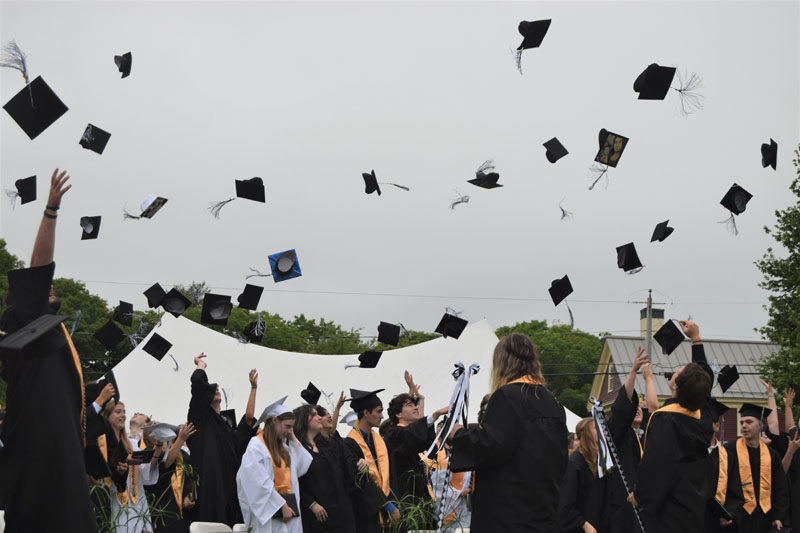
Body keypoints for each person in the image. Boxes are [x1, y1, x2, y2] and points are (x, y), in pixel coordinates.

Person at [0, 169, 97, 532]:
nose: (51, 287)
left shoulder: (52, 333)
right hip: (38, 444)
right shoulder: (24, 319)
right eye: (45, 288)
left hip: (61, 446)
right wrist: (51, 210)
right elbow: (39, 266)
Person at [450, 333, 568, 533]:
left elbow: (492, 444)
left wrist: (459, 435)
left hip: (509, 513)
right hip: (543, 509)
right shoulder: (552, 403)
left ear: (502, 362)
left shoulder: (507, 396)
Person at [629, 354, 713, 533]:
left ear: (676, 386)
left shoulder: (666, 418)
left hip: (669, 508)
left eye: (677, 373)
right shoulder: (704, 419)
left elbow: (656, 464)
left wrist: (640, 495)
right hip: (695, 505)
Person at [186, 353, 258, 525]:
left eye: (217, 388)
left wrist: (254, 389)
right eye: (212, 388)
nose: (215, 389)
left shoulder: (226, 428)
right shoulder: (200, 418)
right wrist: (200, 365)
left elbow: (248, 422)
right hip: (209, 487)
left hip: (229, 491)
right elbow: (197, 383)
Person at [379, 371, 448, 521]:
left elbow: (421, 438)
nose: (415, 408)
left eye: (414, 405)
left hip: (420, 497)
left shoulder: (407, 432)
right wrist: (434, 415)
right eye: (410, 405)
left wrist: (419, 400)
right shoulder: (392, 434)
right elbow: (410, 434)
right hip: (405, 501)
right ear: (398, 414)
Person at [237, 400, 313, 533]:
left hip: (289, 514)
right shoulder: (256, 446)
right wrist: (281, 504)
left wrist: (293, 437)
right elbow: (257, 482)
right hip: (270, 515)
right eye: (287, 426)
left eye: (292, 427)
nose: (289, 431)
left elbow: (302, 466)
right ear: (274, 421)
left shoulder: (284, 448)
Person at [603, 347, 654, 533]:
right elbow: (623, 408)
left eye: (641, 406)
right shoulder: (620, 434)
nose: (638, 408)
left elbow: (654, 409)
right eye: (635, 406)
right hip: (626, 506)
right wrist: (633, 372)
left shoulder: (650, 435)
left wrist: (650, 381)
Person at [718, 403, 791, 532]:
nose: (744, 426)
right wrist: (723, 513)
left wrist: (778, 515)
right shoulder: (728, 451)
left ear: (761, 425)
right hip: (736, 516)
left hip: (765, 516)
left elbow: (780, 487)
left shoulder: (771, 454)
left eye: (749, 422)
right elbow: (720, 483)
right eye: (742, 423)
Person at [294, 404, 356, 533]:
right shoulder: (297, 451)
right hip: (318, 517)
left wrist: (359, 462)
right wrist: (311, 503)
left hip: (341, 512)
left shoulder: (328, 445)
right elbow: (295, 482)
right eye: (314, 415)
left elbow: (344, 470)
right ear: (303, 420)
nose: (319, 418)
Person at [107, 401, 162, 533]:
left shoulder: (131, 443)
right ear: (108, 415)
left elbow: (145, 473)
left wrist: (157, 449)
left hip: (138, 499)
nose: (123, 415)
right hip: (118, 499)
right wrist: (125, 460)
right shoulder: (105, 443)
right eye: (118, 412)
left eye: (124, 412)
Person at [144, 422, 197, 533]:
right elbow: (165, 464)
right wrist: (180, 439)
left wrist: (189, 495)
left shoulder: (179, 455)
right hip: (156, 506)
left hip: (171, 506)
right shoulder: (146, 454)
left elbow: (190, 478)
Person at [554, 418, 604, 533]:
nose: (602, 431)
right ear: (587, 434)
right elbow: (565, 504)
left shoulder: (596, 463)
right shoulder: (574, 464)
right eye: (596, 428)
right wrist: (583, 524)